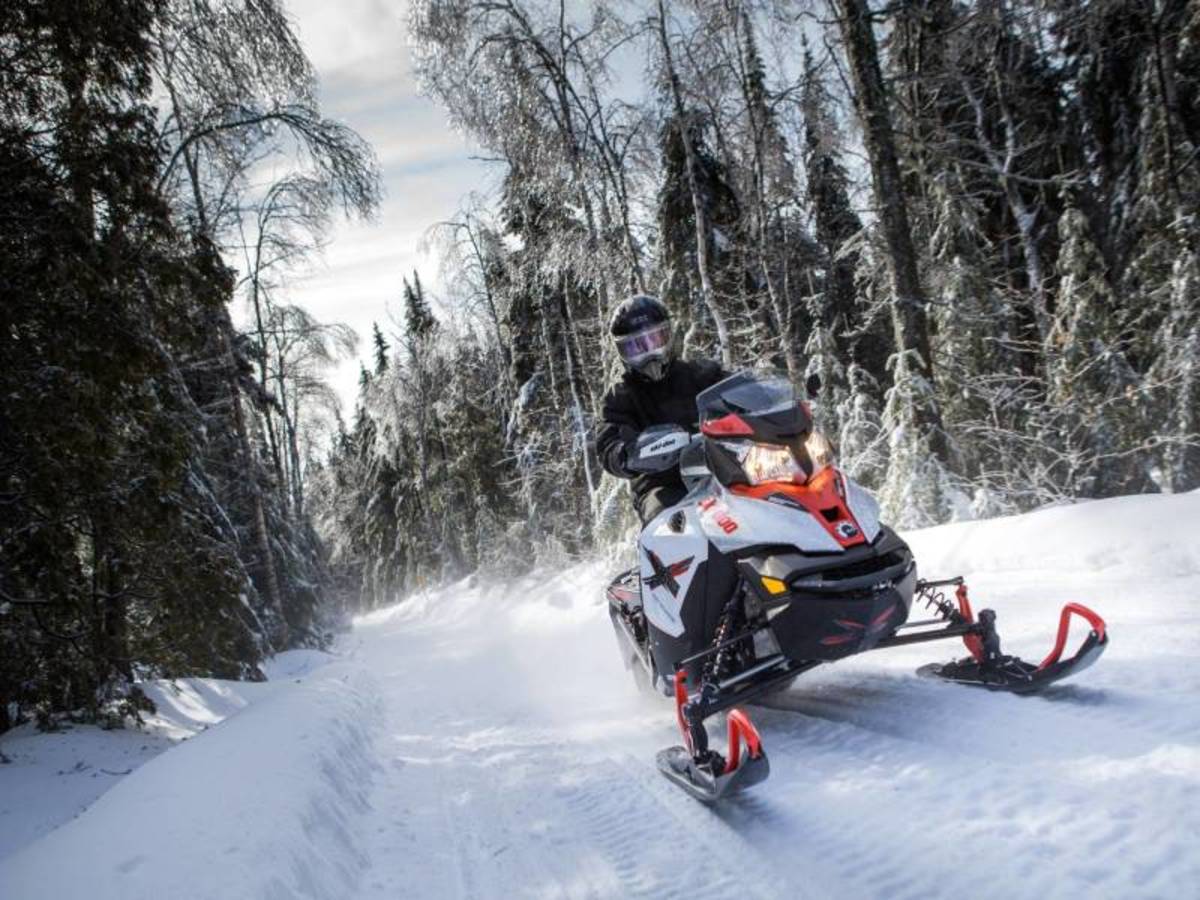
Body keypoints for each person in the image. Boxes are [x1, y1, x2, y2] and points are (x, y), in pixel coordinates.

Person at [596, 295, 727, 524]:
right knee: (670, 522)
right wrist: (626, 455)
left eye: (655, 341)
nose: (649, 354)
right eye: (636, 348)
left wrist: (776, 399)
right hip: (663, 485)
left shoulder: (702, 374)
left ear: (669, 337)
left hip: (722, 470)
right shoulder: (621, 397)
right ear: (623, 354)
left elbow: (741, 389)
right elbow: (607, 443)